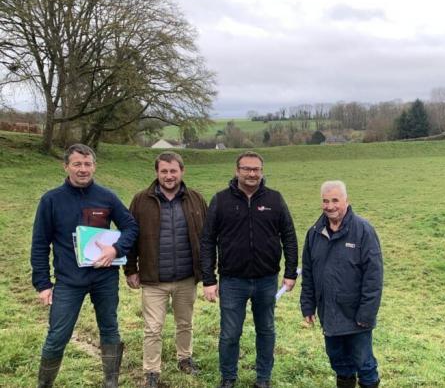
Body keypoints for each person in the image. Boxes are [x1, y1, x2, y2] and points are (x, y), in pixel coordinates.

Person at [31, 143, 139, 388]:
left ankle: (110, 382)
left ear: (94, 166)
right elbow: (39, 244)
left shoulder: (107, 197)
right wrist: (43, 283)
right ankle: (44, 384)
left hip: (105, 278)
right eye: (77, 164)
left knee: (110, 328)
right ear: (66, 166)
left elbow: (131, 227)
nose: (83, 169)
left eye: (87, 164)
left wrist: (116, 249)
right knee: (57, 335)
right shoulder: (51, 200)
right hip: (69, 280)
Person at [200, 151, 298, 388]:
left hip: (266, 279)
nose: (252, 173)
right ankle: (228, 377)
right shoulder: (221, 200)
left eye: (256, 169)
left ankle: (263, 378)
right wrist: (208, 279)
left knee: (266, 330)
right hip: (232, 280)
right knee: (230, 333)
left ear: (261, 172)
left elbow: (289, 236)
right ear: (237, 171)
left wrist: (290, 272)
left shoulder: (275, 199)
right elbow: (207, 240)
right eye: (247, 169)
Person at [124, 152, 208, 387]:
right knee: (152, 328)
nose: (169, 176)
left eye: (173, 171)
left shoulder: (196, 199)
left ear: (182, 171)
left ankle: (185, 358)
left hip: (186, 277)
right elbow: (129, 237)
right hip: (153, 279)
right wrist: (131, 269)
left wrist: (208, 272)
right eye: (164, 171)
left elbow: (208, 238)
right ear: (157, 173)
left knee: (185, 323)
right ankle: (151, 370)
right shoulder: (141, 200)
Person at [300, 181, 383, 388]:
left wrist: (367, 314)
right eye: (325, 201)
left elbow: (373, 278)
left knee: (364, 363)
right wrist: (308, 306)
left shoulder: (363, 231)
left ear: (346, 200)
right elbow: (308, 274)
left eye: (335, 200)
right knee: (339, 362)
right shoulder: (314, 233)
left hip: (356, 315)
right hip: (328, 312)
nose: (330, 206)